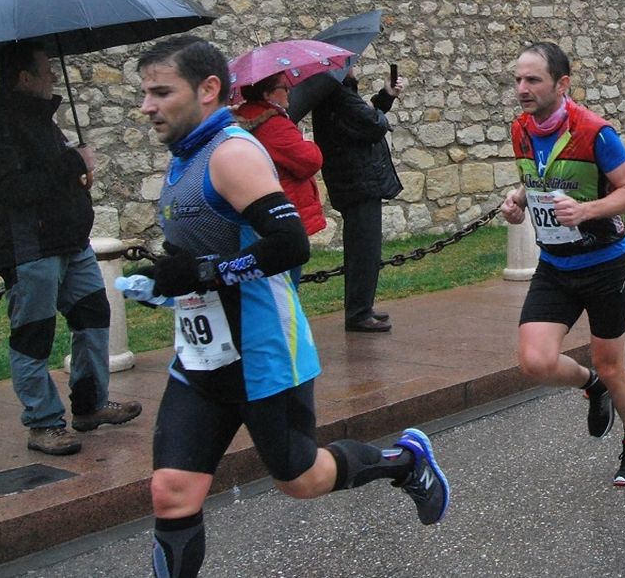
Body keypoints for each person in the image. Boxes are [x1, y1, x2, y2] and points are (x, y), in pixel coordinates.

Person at [125, 35, 447, 578]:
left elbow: (289, 246)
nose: (147, 106)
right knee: (171, 490)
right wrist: (165, 279)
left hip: (263, 352)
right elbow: (208, 246)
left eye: (161, 92)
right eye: (145, 93)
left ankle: (405, 461)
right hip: (204, 357)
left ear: (208, 90)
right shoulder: (185, 156)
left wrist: (204, 271)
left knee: (300, 478)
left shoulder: (230, 153)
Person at [0, 40, 142, 456]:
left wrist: (77, 174)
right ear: (24, 77)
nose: (52, 77)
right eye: (45, 70)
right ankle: (43, 422)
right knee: (33, 337)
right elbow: (11, 190)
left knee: (94, 318)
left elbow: (53, 175)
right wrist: (72, 164)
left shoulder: (42, 120)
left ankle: (89, 404)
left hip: (69, 243)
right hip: (31, 250)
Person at [499, 42, 625, 485]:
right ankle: (591, 386)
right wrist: (519, 199)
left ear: (561, 84)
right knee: (535, 361)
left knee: (611, 362)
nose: (522, 89)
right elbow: (541, 180)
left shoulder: (596, 132)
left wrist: (586, 211)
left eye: (533, 80)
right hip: (555, 265)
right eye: (518, 80)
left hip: (603, 264)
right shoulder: (521, 130)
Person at [309, 64, 406, 332]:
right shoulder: (338, 96)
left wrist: (385, 96)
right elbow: (373, 124)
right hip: (358, 182)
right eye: (351, 65)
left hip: (354, 180)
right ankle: (359, 313)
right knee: (365, 249)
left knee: (363, 248)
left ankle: (362, 307)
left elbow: (364, 116)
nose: (357, 68)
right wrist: (381, 116)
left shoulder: (340, 95)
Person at [233, 73, 328, 257]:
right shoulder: (273, 125)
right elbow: (309, 161)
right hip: (284, 210)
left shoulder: (243, 116)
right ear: (267, 95)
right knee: (287, 272)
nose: (288, 91)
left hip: (258, 209)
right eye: (283, 87)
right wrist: (308, 143)